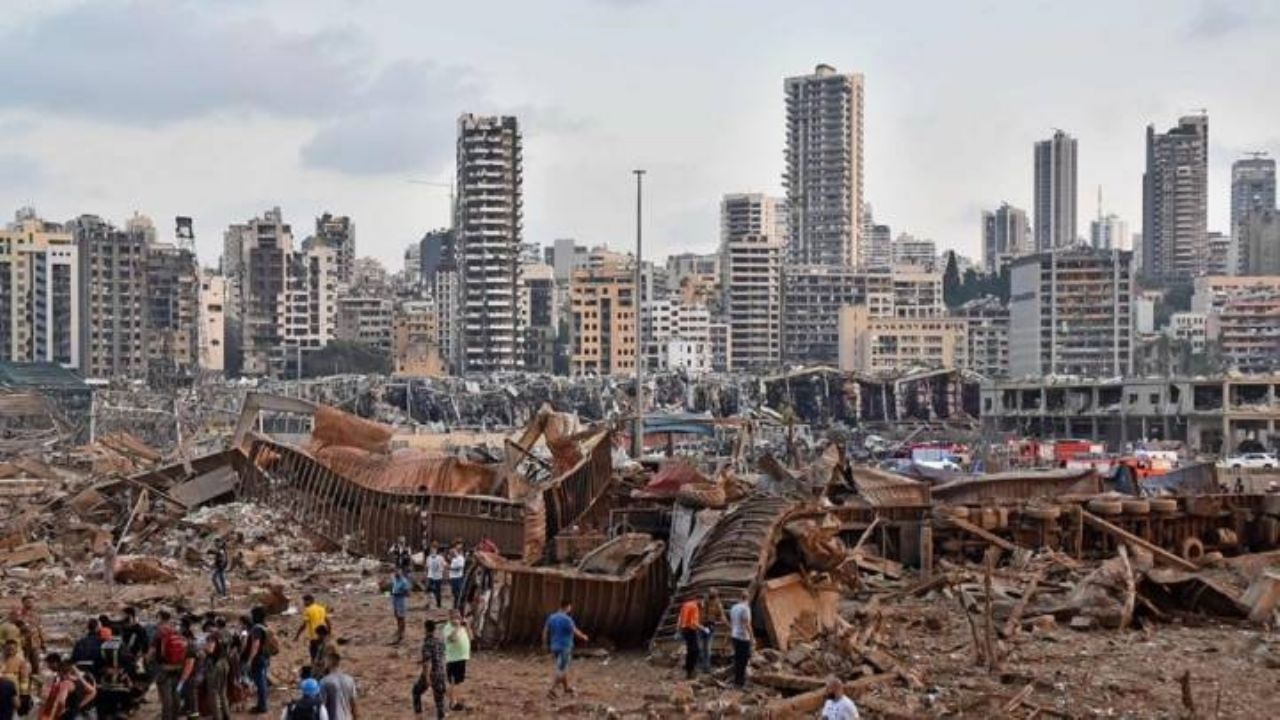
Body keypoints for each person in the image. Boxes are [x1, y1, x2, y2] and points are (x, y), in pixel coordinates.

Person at [542, 599, 587, 700]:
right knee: (562, 669)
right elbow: (574, 631)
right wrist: (583, 636)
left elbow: (545, 631)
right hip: (565, 647)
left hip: (554, 646)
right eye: (570, 607)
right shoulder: (567, 619)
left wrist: (544, 644)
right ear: (567, 607)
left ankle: (566, 688)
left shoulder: (552, 617)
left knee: (562, 667)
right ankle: (552, 689)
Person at [411, 620, 446, 720]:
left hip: (431, 673)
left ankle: (419, 716)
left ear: (426, 629)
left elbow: (427, 662)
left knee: (416, 692)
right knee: (439, 699)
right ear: (435, 629)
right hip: (441, 672)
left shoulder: (427, 643)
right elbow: (440, 656)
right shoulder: (439, 641)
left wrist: (426, 678)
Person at [245, 606, 274, 714]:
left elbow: (255, 645)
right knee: (262, 680)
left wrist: (250, 660)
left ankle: (262, 706)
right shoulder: (264, 626)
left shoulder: (257, 628)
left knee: (260, 682)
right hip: (265, 657)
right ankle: (262, 704)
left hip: (258, 658)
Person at [441, 609, 470, 712]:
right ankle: (451, 702)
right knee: (454, 682)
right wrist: (458, 626)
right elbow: (452, 639)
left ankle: (454, 701)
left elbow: (471, 637)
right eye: (454, 617)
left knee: (458, 682)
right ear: (450, 618)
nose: (457, 619)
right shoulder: (447, 628)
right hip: (454, 659)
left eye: (458, 617)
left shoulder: (462, 627)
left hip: (462, 657)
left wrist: (467, 626)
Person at [318, 651, 359, 720]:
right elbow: (354, 704)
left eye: (325, 661)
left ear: (329, 663)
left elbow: (322, 707)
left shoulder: (325, 681)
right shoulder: (349, 680)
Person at [294, 595, 331, 669]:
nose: (304, 603)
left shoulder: (308, 610)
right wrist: (329, 633)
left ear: (310, 600)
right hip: (323, 636)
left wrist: (297, 635)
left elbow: (304, 625)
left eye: (305, 601)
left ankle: (315, 672)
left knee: (314, 657)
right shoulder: (322, 608)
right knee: (322, 655)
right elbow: (328, 621)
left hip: (314, 637)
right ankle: (322, 670)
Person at [203, 633, 232, 720]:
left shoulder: (211, 638)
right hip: (224, 663)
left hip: (215, 666)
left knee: (214, 693)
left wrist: (204, 648)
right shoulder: (222, 637)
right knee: (223, 692)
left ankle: (217, 717)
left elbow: (210, 650)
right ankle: (226, 716)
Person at [0, 638, 31, 719]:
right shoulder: (1, 659)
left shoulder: (21, 661)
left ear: (16, 649)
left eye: (12, 649)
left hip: (14, 691)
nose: (10, 650)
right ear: (4, 648)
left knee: (12, 712)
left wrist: (24, 695)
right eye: (8, 648)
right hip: (1, 689)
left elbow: (24, 679)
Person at [728, 593, 753, 689]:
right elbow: (747, 624)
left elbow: (732, 622)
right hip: (743, 637)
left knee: (737, 659)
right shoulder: (745, 608)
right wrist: (752, 637)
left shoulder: (734, 607)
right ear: (747, 598)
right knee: (743, 660)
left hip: (734, 636)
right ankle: (740, 682)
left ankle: (736, 681)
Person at [677, 595, 705, 680]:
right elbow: (693, 622)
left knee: (690, 650)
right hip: (690, 630)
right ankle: (691, 671)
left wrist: (678, 629)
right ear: (699, 599)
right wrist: (703, 628)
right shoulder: (694, 607)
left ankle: (688, 670)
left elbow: (680, 617)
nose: (703, 603)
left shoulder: (686, 604)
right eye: (703, 601)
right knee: (695, 650)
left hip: (684, 630)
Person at [699, 589, 724, 673]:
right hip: (710, 626)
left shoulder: (703, 602)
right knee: (707, 647)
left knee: (702, 645)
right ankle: (706, 667)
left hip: (701, 625)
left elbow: (700, 613)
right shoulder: (717, 604)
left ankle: (701, 665)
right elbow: (721, 617)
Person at [390, 569, 411, 646]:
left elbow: (408, 593)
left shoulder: (404, 581)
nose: (396, 573)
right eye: (395, 572)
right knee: (397, 616)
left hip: (401, 600)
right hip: (395, 599)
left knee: (401, 617)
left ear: (401, 573)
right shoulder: (395, 579)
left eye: (397, 572)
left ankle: (402, 633)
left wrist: (399, 593)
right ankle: (399, 630)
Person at [424, 543, 445, 610]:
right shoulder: (428, 558)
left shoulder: (440, 558)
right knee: (429, 591)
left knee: (437, 591)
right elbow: (427, 567)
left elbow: (443, 566)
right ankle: (429, 604)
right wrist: (426, 575)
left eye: (434, 550)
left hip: (438, 577)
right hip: (430, 576)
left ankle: (438, 604)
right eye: (431, 550)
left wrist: (441, 571)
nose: (433, 551)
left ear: (436, 550)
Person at [447, 544, 466, 610]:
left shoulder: (461, 558)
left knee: (458, 593)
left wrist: (450, 568)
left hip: (458, 578)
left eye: (453, 552)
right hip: (453, 578)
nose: (451, 554)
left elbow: (459, 568)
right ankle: (456, 605)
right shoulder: (454, 559)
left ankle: (459, 606)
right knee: (454, 593)